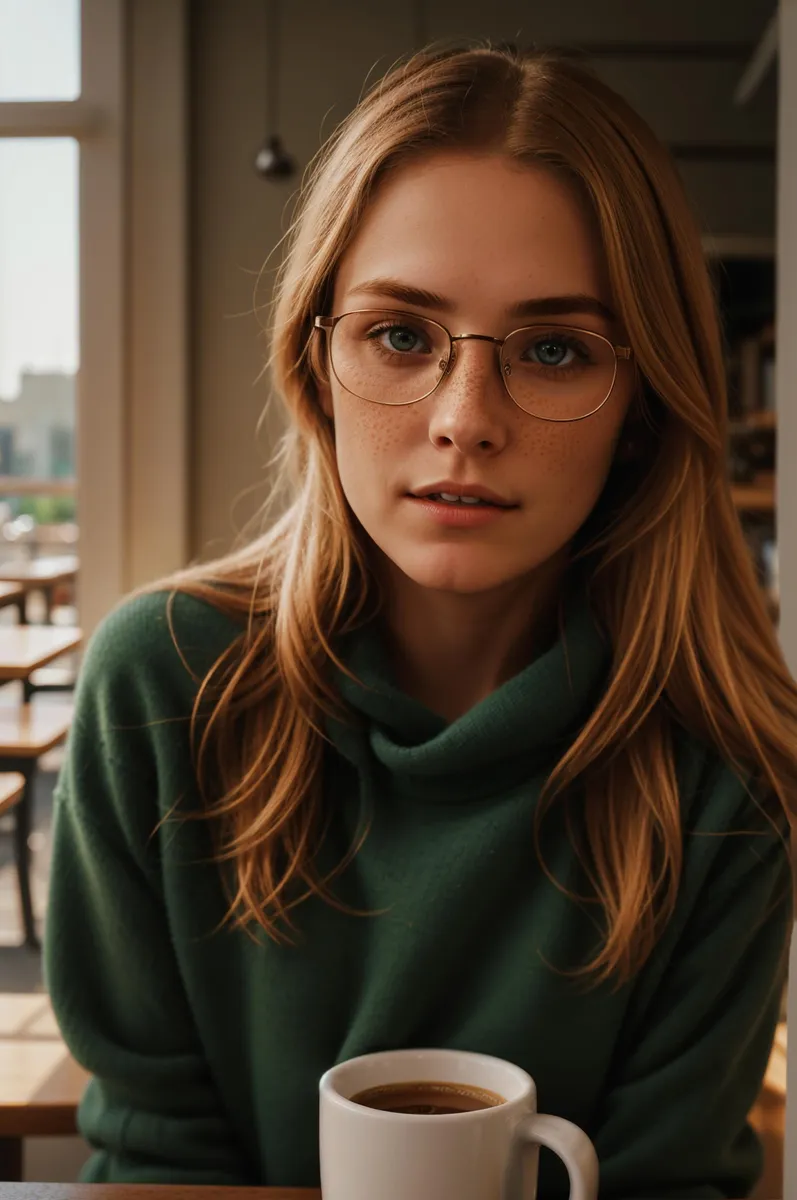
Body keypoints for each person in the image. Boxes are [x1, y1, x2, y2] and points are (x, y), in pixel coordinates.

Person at [44, 43, 797, 1199]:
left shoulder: (728, 769)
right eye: (400, 334)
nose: (464, 419)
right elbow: (155, 1165)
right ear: (316, 363)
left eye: (552, 350)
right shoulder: (160, 687)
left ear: (639, 407)